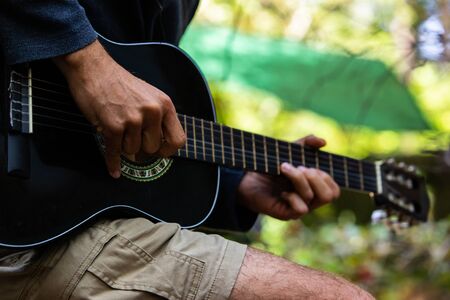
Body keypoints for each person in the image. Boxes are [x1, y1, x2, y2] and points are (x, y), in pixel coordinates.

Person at [0, 1, 374, 299]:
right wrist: (85, 61)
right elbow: (107, 86)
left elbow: (128, 130)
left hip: (45, 222)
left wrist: (236, 186)